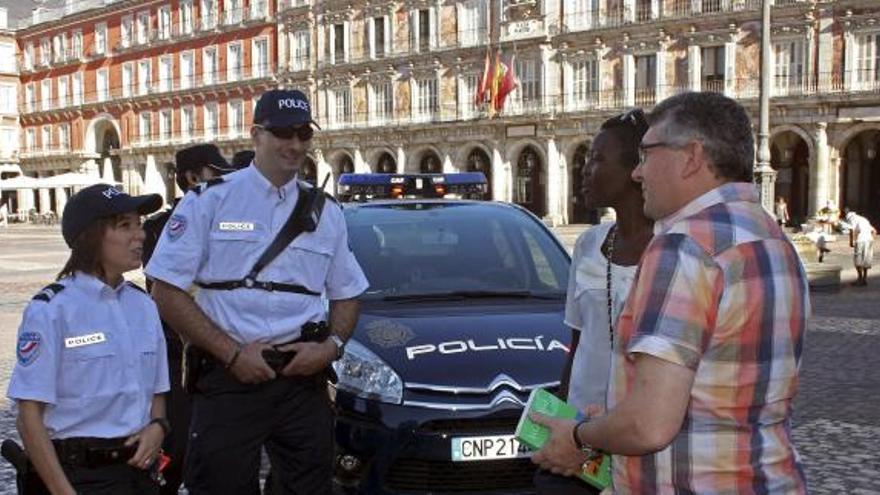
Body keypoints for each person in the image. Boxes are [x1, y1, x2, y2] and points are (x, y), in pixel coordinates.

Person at [531, 92, 809, 494]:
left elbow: (648, 425)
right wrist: (608, 418)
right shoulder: (770, 237)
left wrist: (578, 436)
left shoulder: (683, 247)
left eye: (646, 155)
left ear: (692, 156)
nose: (639, 173)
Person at [145, 88, 369, 494]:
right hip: (229, 379)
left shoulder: (328, 212)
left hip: (303, 380)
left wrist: (332, 346)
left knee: (310, 487)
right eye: (283, 133)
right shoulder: (208, 201)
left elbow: (348, 291)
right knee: (220, 486)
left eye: (304, 133)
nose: (295, 144)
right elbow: (165, 290)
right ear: (256, 135)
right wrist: (230, 354)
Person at [6, 184, 170, 494]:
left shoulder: (144, 306)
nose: (140, 235)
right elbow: (29, 417)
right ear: (91, 237)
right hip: (78, 475)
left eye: (139, 224)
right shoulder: (53, 310)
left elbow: (157, 389)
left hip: (138, 474)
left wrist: (158, 427)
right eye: (125, 226)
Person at [535, 109, 653, 495]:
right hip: (580, 436)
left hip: (642, 437)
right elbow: (577, 344)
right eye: (587, 158)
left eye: (599, 158)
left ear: (636, 169)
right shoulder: (588, 245)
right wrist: (564, 418)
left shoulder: (675, 250)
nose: (586, 169)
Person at [140, 143, 233, 495]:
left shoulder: (225, 221)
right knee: (176, 448)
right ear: (193, 177)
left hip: (222, 353)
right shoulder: (161, 227)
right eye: (215, 174)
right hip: (178, 352)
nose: (222, 183)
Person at [847, 210, 877, 286]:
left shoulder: (852, 219)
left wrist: (851, 242)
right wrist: (872, 239)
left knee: (858, 260)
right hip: (869, 240)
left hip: (860, 241)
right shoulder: (864, 219)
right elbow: (874, 231)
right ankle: (864, 279)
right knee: (866, 260)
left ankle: (859, 279)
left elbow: (851, 230)